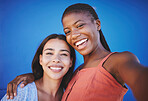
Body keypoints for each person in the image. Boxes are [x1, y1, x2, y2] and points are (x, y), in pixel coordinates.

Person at [6, 3, 148, 101]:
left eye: (80, 25)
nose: (74, 35)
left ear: (97, 24)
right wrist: (33, 76)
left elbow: (140, 78)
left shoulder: (117, 61)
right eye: (67, 31)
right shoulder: (75, 73)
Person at [1, 34, 76, 101]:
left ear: (70, 62)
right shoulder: (21, 93)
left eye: (63, 54)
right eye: (49, 53)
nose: (56, 60)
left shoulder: (71, 95)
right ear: (41, 59)